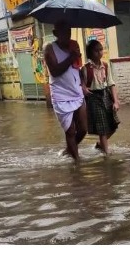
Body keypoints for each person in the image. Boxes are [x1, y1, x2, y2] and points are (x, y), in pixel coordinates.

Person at [44, 21, 87, 161]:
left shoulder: (74, 45)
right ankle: (77, 163)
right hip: (61, 95)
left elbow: (78, 68)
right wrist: (71, 57)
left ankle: (69, 149)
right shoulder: (49, 49)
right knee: (70, 132)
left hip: (76, 91)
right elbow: (55, 71)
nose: (67, 35)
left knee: (83, 129)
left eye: (69, 31)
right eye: (63, 32)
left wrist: (83, 85)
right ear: (56, 34)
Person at [82, 40, 120, 155]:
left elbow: (111, 84)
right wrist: (83, 89)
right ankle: (106, 154)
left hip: (105, 95)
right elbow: (80, 85)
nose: (99, 52)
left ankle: (100, 144)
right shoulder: (85, 68)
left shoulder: (106, 66)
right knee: (102, 129)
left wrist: (116, 101)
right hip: (93, 98)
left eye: (101, 49)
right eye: (96, 50)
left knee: (114, 125)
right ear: (90, 53)